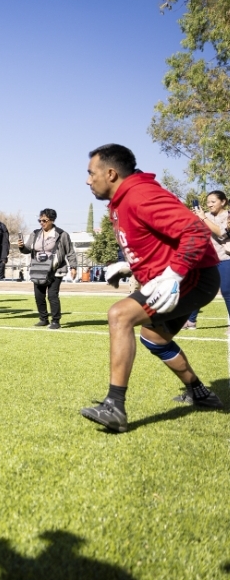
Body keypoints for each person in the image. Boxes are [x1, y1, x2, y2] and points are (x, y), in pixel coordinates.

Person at [80, 144, 223, 433]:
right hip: (184, 277)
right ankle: (199, 392)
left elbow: (195, 231)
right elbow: (156, 243)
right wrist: (129, 266)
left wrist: (174, 275)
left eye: (91, 173)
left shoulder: (140, 194)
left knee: (119, 315)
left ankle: (114, 407)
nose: (87, 180)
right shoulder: (122, 201)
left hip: (195, 276)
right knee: (154, 339)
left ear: (111, 173)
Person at [17, 208, 78, 329]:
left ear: (52, 220)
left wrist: (73, 267)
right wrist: (22, 246)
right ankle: (43, 318)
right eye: (40, 220)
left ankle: (55, 321)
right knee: (39, 295)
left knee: (52, 295)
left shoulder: (61, 234)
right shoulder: (35, 234)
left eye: (44, 220)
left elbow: (70, 251)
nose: (42, 223)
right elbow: (27, 249)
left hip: (56, 270)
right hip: (38, 269)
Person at [183, 191, 230, 330]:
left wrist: (203, 218)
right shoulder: (205, 216)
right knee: (198, 289)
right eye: (208, 202)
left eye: (213, 202)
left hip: (225, 257)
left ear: (223, 202)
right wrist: (194, 218)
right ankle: (191, 321)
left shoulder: (227, 215)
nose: (209, 205)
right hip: (207, 259)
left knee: (227, 291)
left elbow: (221, 233)